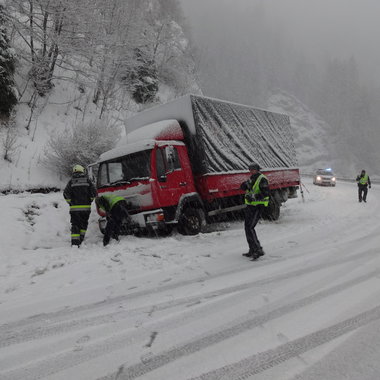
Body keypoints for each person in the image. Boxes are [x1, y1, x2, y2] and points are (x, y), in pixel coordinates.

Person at [241, 163, 270, 260]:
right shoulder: (252, 178)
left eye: (253, 169)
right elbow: (244, 187)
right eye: (250, 169)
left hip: (258, 206)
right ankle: (252, 249)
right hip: (250, 206)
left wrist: (254, 197)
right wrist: (244, 185)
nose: (251, 171)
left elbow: (266, 193)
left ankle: (258, 250)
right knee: (247, 227)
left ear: (257, 169)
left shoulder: (262, 179)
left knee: (250, 227)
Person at [63, 164, 96, 246]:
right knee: (84, 223)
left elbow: (66, 194)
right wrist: (89, 201)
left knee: (75, 224)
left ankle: (75, 243)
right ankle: (81, 239)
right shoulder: (88, 181)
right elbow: (94, 193)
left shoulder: (71, 182)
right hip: (86, 209)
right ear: (82, 171)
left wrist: (70, 202)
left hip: (74, 209)